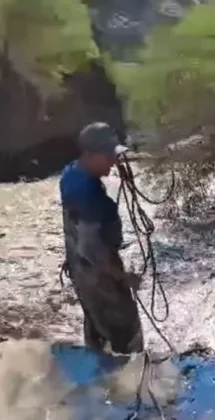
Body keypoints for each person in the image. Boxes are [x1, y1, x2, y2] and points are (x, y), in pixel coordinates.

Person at [61, 122, 144, 354]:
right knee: (126, 331)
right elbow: (90, 248)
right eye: (108, 156)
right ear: (89, 154)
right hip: (98, 276)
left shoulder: (71, 173)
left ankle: (98, 369)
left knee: (96, 324)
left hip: (81, 273)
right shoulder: (89, 195)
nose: (113, 161)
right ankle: (126, 381)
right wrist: (123, 277)